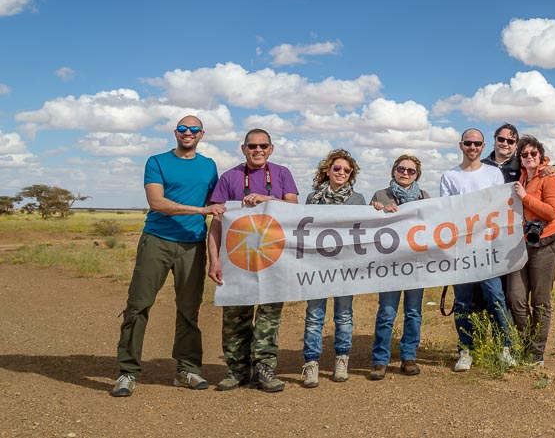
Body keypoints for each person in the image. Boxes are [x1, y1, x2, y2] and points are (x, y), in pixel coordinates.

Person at [111, 116, 220, 398]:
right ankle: (127, 372)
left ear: (201, 134)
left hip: (192, 245)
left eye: (193, 129)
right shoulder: (157, 161)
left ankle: (187, 370)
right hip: (157, 241)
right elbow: (157, 202)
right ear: (175, 133)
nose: (188, 132)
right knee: (138, 305)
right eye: (183, 128)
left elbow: (216, 204)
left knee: (188, 309)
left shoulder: (208, 166)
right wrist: (200, 212)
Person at [207, 129, 299, 393]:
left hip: (274, 258)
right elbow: (216, 222)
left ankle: (265, 369)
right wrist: (213, 260)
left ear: (271, 149)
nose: (257, 150)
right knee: (235, 315)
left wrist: (267, 199)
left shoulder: (281, 174)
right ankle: (236, 370)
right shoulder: (229, 177)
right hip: (237, 258)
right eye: (252, 146)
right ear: (243, 148)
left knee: (269, 317)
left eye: (263, 146)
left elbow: (294, 209)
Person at [439, 128, 516, 371]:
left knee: (495, 298)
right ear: (460, 145)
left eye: (477, 144)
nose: (472, 147)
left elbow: (498, 207)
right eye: (468, 143)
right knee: (462, 302)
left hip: (487, 250)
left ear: (484, 147)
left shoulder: (493, 174)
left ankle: (505, 348)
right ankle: (466, 350)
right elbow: (445, 212)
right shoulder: (449, 176)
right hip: (460, 251)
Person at [300, 149, 365, 388]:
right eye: (337, 168)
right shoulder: (312, 198)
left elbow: (365, 230)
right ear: (327, 170)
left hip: (345, 267)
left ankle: (341, 359)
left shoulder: (358, 200)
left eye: (346, 170)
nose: (341, 173)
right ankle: (311, 363)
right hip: (317, 266)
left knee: (344, 315)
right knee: (315, 315)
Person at [504, 135, 555, 367]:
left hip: (548, 242)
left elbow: (551, 212)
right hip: (521, 245)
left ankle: (536, 353)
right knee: (516, 298)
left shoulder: (549, 176)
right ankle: (527, 343)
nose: (529, 157)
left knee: (540, 301)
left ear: (540, 155)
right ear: (519, 159)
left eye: (533, 153)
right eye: (524, 154)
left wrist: (525, 197)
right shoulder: (522, 177)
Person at [367, 154, 429, 379]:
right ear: (394, 171)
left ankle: (409, 356)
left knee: (413, 312)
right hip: (389, 266)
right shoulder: (380, 195)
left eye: (411, 171)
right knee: (386, 312)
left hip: (416, 265)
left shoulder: (425, 197)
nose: (405, 173)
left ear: (417, 175)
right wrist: (375, 209)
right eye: (401, 169)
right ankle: (380, 360)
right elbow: (368, 228)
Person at [482, 122, 555, 183]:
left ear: (516, 145)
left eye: (510, 141)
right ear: (495, 140)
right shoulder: (480, 165)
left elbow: (544, 168)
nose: (505, 144)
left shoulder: (524, 163)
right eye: (501, 139)